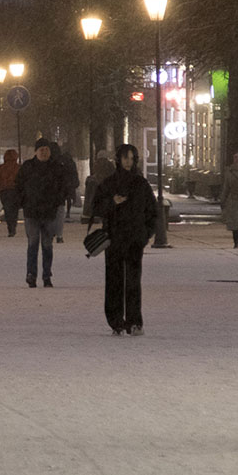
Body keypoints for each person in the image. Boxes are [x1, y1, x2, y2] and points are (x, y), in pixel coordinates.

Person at [91, 144, 157, 336]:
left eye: (131, 158)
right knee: (114, 281)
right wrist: (112, 203)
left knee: (133, 282)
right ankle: (116, 321)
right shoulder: (109, 183)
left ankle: (135, 321)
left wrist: (145, 235)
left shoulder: (141, 184)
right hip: (114, 239)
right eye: (125, 157)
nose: (128, 162)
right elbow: (96, 208)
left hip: (135, 239)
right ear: (118, 159)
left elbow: (152, 212)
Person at [17, 138, 63, 288]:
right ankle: (31, 274)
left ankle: (46, 275)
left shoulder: (56, 167)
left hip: (50, 212)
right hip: (32, 212)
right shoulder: (28, 167)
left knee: (47, 245)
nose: (44, 152)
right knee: (33, 243)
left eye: (46, 149)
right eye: (41, 149)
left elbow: (64, 186)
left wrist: (58, 201)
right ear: (35, 151)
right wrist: (23, 201)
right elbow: (19, 185)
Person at [219, 152, 238, 249]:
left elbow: (226, 188)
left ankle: (236, 242)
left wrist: (222, 199)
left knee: (235, 223)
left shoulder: (230, 171)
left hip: (233, 199)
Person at [0, 148, 21, 236]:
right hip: (15, 190)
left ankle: (10, 227)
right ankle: (13, 225)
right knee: (14, 209)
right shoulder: (18, 167)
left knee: (8, 209)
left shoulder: (2, 167)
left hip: (4, 191)